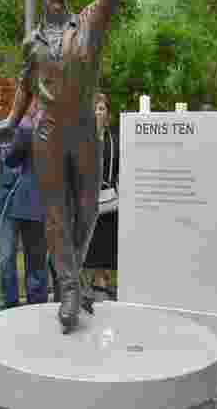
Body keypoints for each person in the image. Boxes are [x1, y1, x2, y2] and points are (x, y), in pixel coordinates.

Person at [0, 0, 161, 333]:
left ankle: (74, 280)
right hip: (47, 131)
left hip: (84, 130)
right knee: (55, 213)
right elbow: (27, 85)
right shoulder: (32, 41)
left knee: (87, 211)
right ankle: (68, 288)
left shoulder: (90, 21)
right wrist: (10, 122)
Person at [0, 99, 47, 309]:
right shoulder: (4, 129)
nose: (33, 105)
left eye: (36, 101)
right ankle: (9, 304)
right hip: (7, 202)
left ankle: (36, 304)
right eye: (29, 101)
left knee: (35, 258)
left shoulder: (46, 129)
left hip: (35, 202)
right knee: (7, 257)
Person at [85, 93, 119, 297]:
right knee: (87, 244)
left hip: (108, 201)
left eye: (102, 108)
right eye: (95, 108)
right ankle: (89, 284)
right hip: (86, 202)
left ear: (107, 114)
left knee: (105, 242)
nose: (98, 112)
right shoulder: (82, 140)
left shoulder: (114, 140)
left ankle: (102, 280)